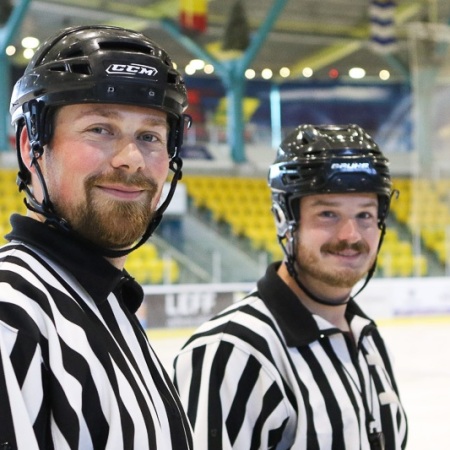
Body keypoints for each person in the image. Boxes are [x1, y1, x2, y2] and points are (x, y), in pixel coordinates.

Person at [0, 25, 193, 449]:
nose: (130, 160)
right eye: (100, 130)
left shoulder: (105, 305)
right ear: (33, 144)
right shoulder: (10, 314)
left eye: (149, 137)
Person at [173, 124, 408, 449]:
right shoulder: (232, 352)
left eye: (365, 215)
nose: (351, 235)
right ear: (284, 219)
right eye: (328, 214)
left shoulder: (367, 337)